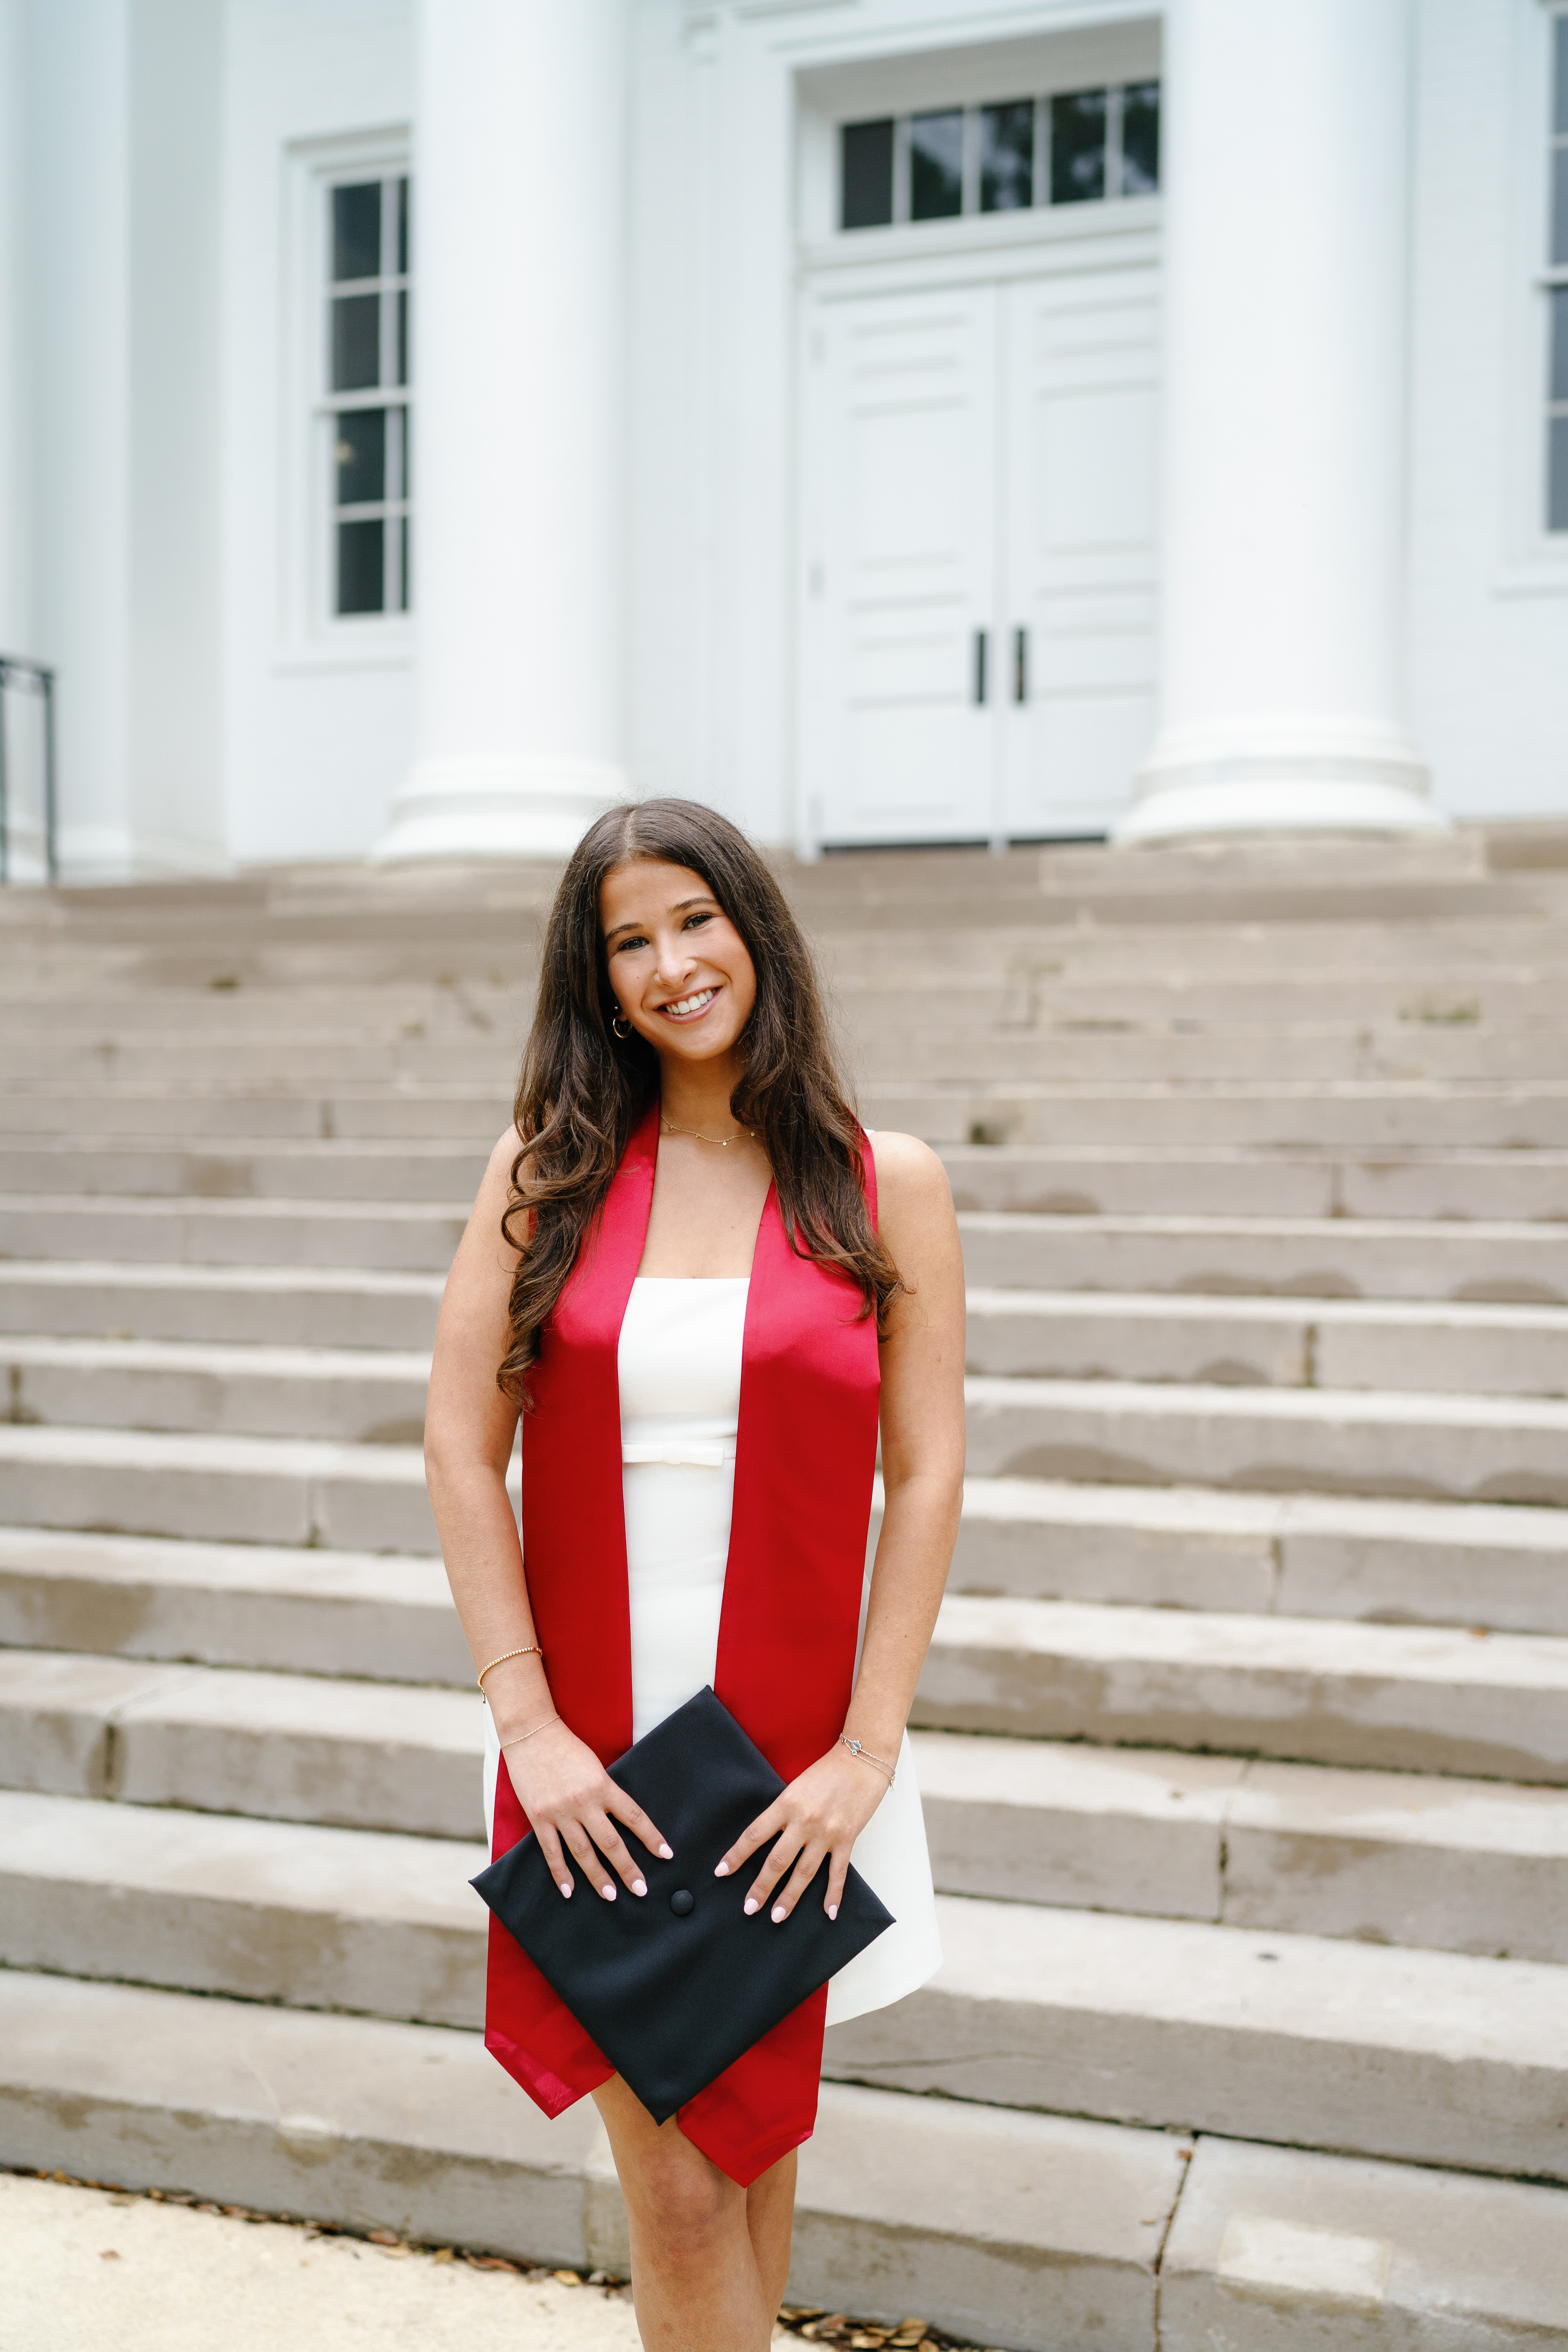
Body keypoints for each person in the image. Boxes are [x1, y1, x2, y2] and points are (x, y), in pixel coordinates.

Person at [425, 799, 965, 2352]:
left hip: (803, 1744)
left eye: (695, 920)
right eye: (628, 941)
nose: (671, 964)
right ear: (596, 982)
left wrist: (867, 1751)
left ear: (755, 930)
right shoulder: (552, 1169)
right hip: (591, 1736)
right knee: (672, 2193)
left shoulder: (886, 1181)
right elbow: (461, 1444)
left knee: (752, 2160)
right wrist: (527, 1728)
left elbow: (924, 1471)